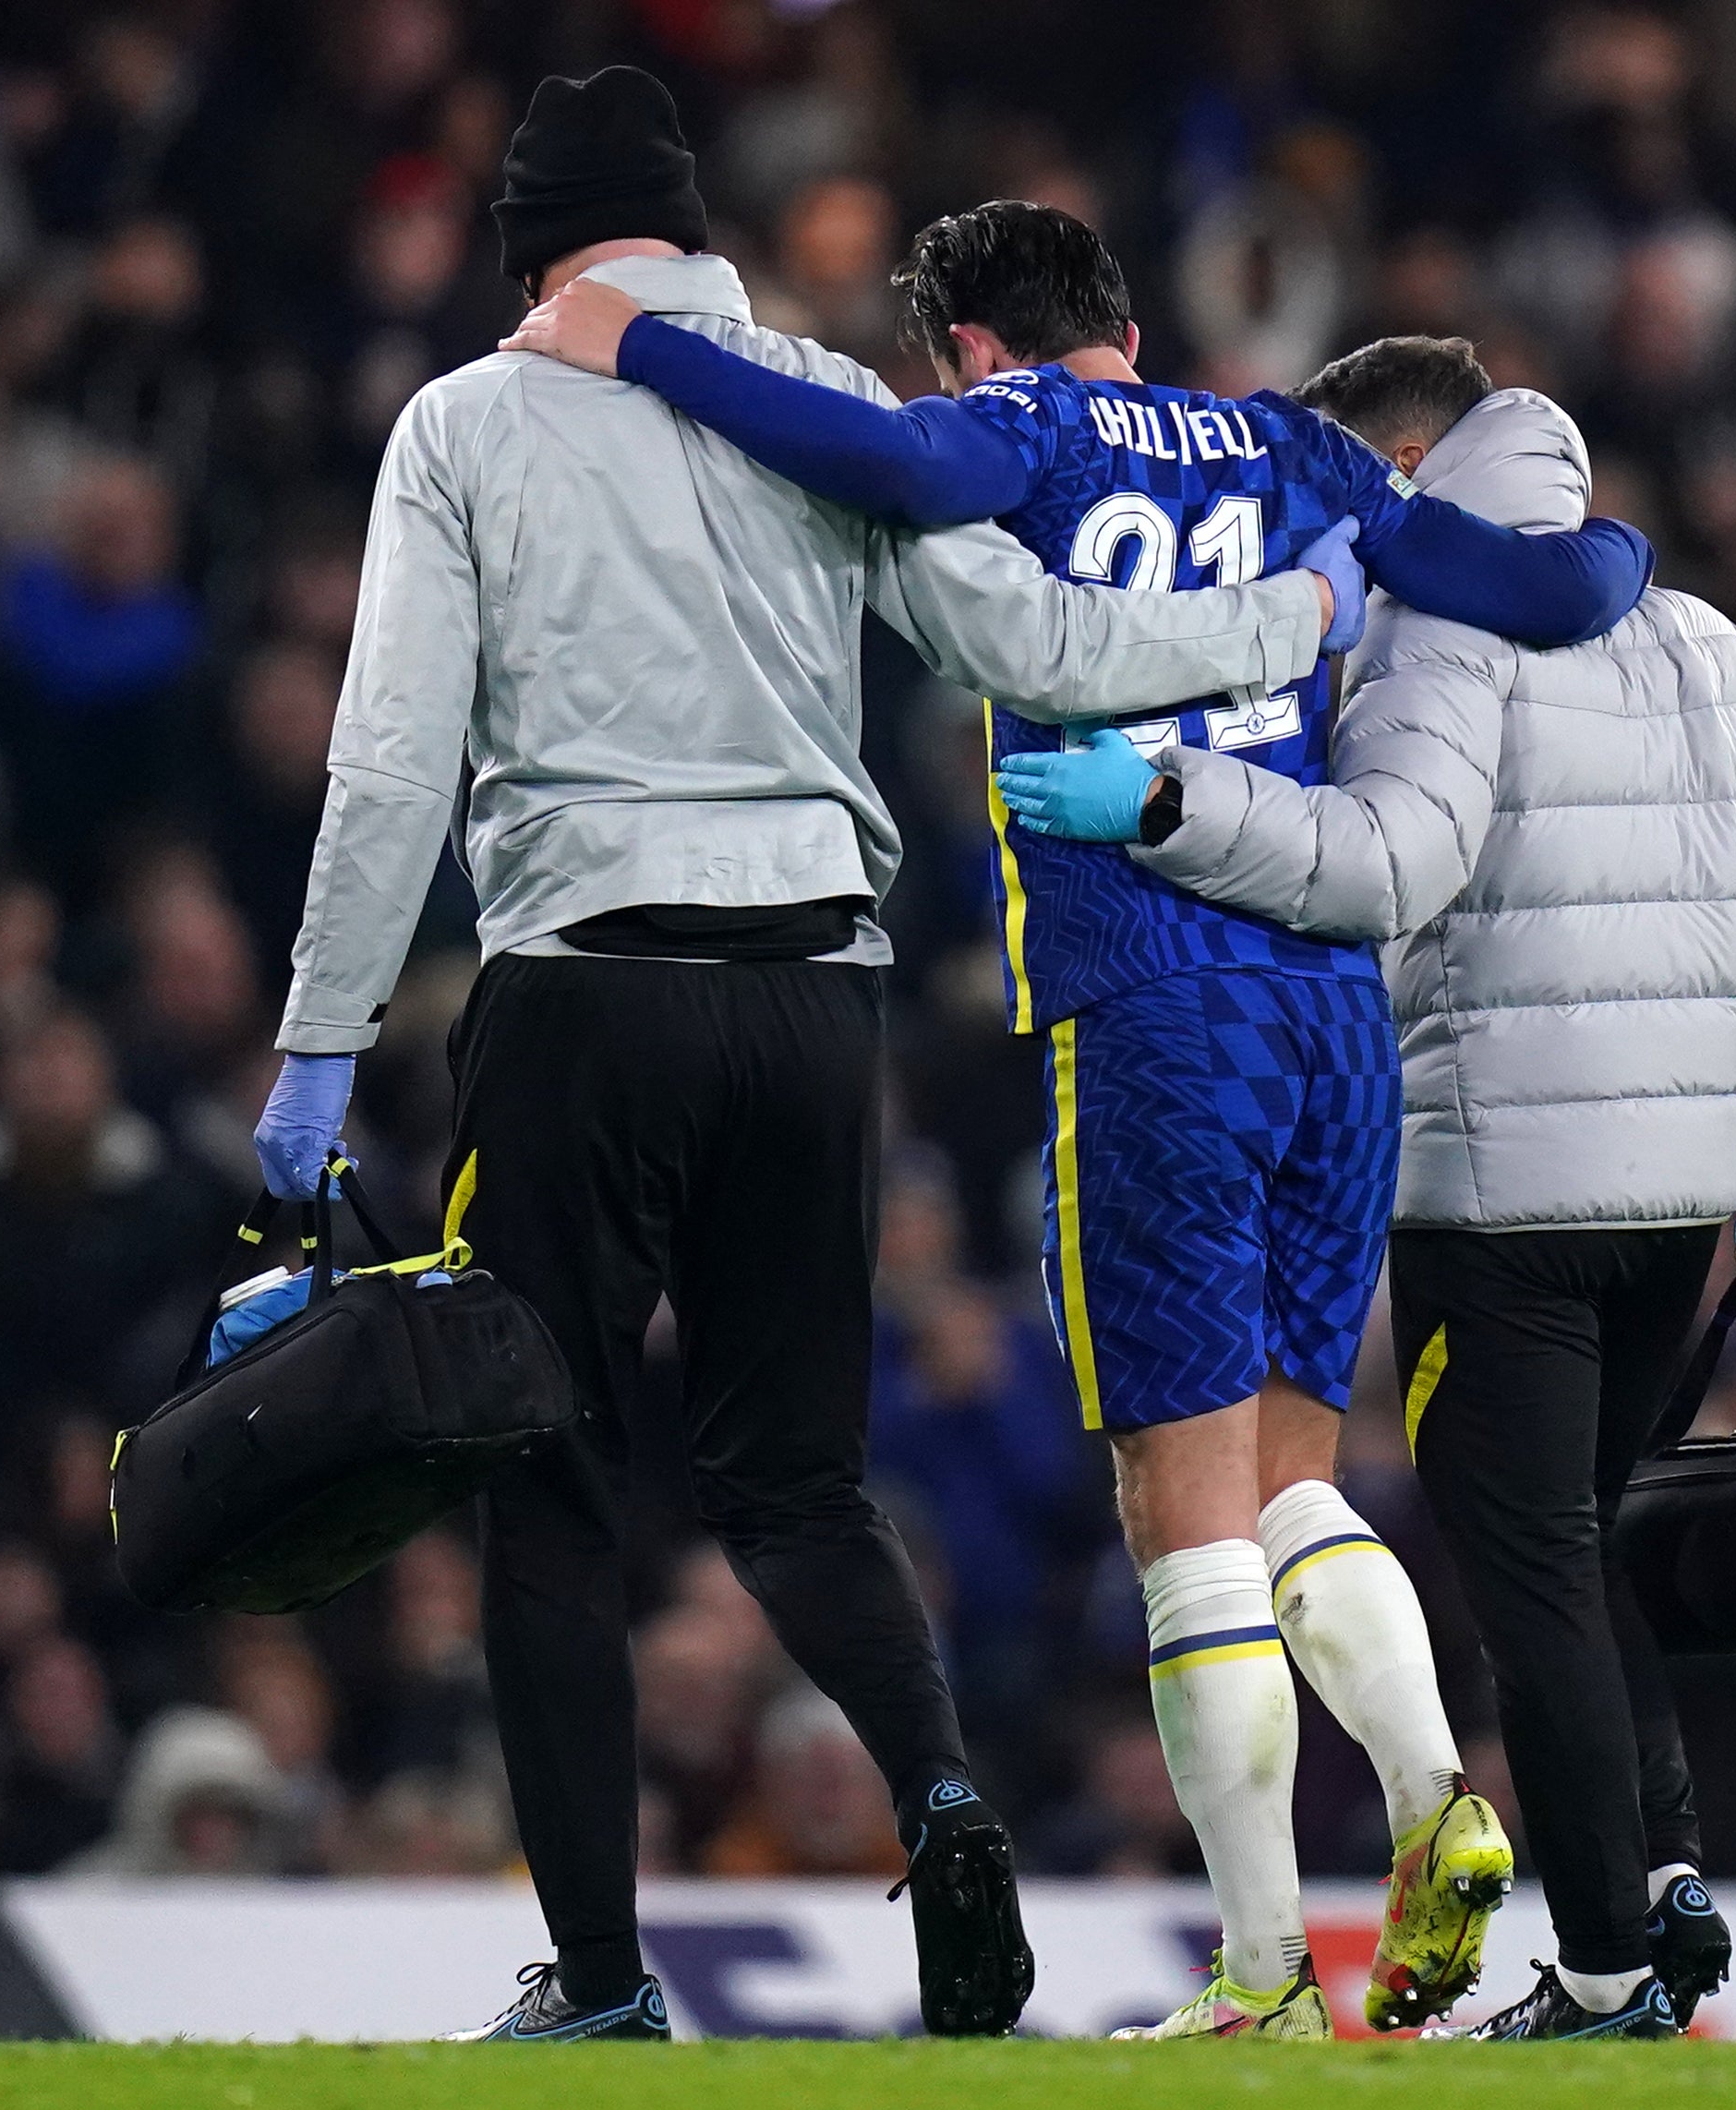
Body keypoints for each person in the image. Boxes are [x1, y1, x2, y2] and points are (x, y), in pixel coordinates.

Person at [248, 69, 1360, 2046]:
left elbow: (394, 767)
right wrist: (1297, 603)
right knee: (800, 1487)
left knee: (557, 1489)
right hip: (808, 1001)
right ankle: (942, 1793)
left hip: (585, 991)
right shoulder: (836, 403)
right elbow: (1041, 648)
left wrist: (319, 1057)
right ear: (692, 235)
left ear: (531, 254)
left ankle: (598, 1984)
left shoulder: (467, 428)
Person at [513, 210, 1651, 2039]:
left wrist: (631, 345)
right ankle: (1440, 1793)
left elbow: (878, 461)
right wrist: (1623, 549)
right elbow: (1556, 595)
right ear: (1129, 320)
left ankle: (1269, 1975)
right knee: (1298, 1480)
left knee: (1178, 1511)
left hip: (1148, 1002)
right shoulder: (1296, 443)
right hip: (1330, 1016)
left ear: (974, 344)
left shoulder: (1022, 432)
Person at [998, 345, 1736, 2039]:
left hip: (1504, 1195)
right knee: (1587, 1542)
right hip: (1677, 1196)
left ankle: (1603, 1965)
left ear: (1409, 453)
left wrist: (1163, 801)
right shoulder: (1702, 637)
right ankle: (1665, 1874)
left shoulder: (1436, 635)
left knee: (1528, 1571)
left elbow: (1389, 858)